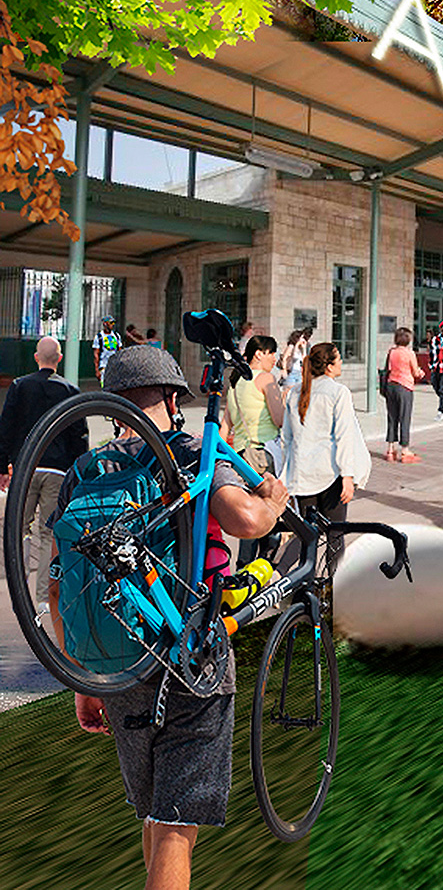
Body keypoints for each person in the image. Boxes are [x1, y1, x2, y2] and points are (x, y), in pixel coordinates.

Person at [68, 345, 287, 890]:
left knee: (154, 814)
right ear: (172, 397)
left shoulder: (88, 469)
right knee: (174, 826)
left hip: (114, 661)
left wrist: (84, 679)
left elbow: (58, 583)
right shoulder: (189, 451)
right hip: (191, 655)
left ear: (112, 405)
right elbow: (245, 520)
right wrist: (274, 501)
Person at [0, 336, 88, 611]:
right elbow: (79, 435)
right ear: (59, 359)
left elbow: (7, 427)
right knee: (49, 533)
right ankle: (42, 597)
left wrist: (3, 466)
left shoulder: (19, 386)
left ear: (36, 358)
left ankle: (19, 588)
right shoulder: (70, 390)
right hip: (58, 471)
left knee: (18, 530)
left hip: (26, 468)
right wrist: (78, 473)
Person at [280, 342, 369, 567]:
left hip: (302, 476)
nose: (341, 363)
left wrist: (287, 477)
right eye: (338, 359)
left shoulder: (294, 394)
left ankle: (286, 576)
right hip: (331, 474)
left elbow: (287, 440)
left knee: (308, 534)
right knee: (334, 535)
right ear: (329, 366)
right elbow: (344, 437)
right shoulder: (338, 392)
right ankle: (332, 590)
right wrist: (348, 476)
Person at [226, 334, 285, 567]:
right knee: (270, 515)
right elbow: (279, 419)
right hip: (262, 454)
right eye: (272, 352)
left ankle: (243, 569)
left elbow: (225, 425)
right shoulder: (265, 379)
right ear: (259, 354)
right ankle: (262, 571)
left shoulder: (234, 383)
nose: (274, 357)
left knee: (249, 515)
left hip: (241, 455)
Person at [383, 327, 422, 463]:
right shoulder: (410, 353)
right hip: (404, 387)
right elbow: (416, 372)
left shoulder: (391, 352)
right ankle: (405, 450)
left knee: (392, 417)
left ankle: (390, 449)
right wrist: (421, 373)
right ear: (408, 339)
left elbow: (388, 368)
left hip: (391, 386)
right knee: (404, 418)